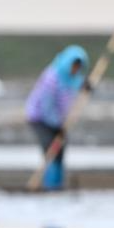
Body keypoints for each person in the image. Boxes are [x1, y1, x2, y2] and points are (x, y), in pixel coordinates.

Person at [24, 45, 90, 190]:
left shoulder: (72, 78)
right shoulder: (51, 78)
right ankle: (50, 186)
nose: (75, 70)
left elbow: (76, 84)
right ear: (68, 63)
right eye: (74, 66)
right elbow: (46, 107)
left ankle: (57, 184)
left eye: (78, 68)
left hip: (58, 121)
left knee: (61, 150)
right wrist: (58, 125)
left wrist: (85, 86)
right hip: (39, 118)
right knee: (51, 150)